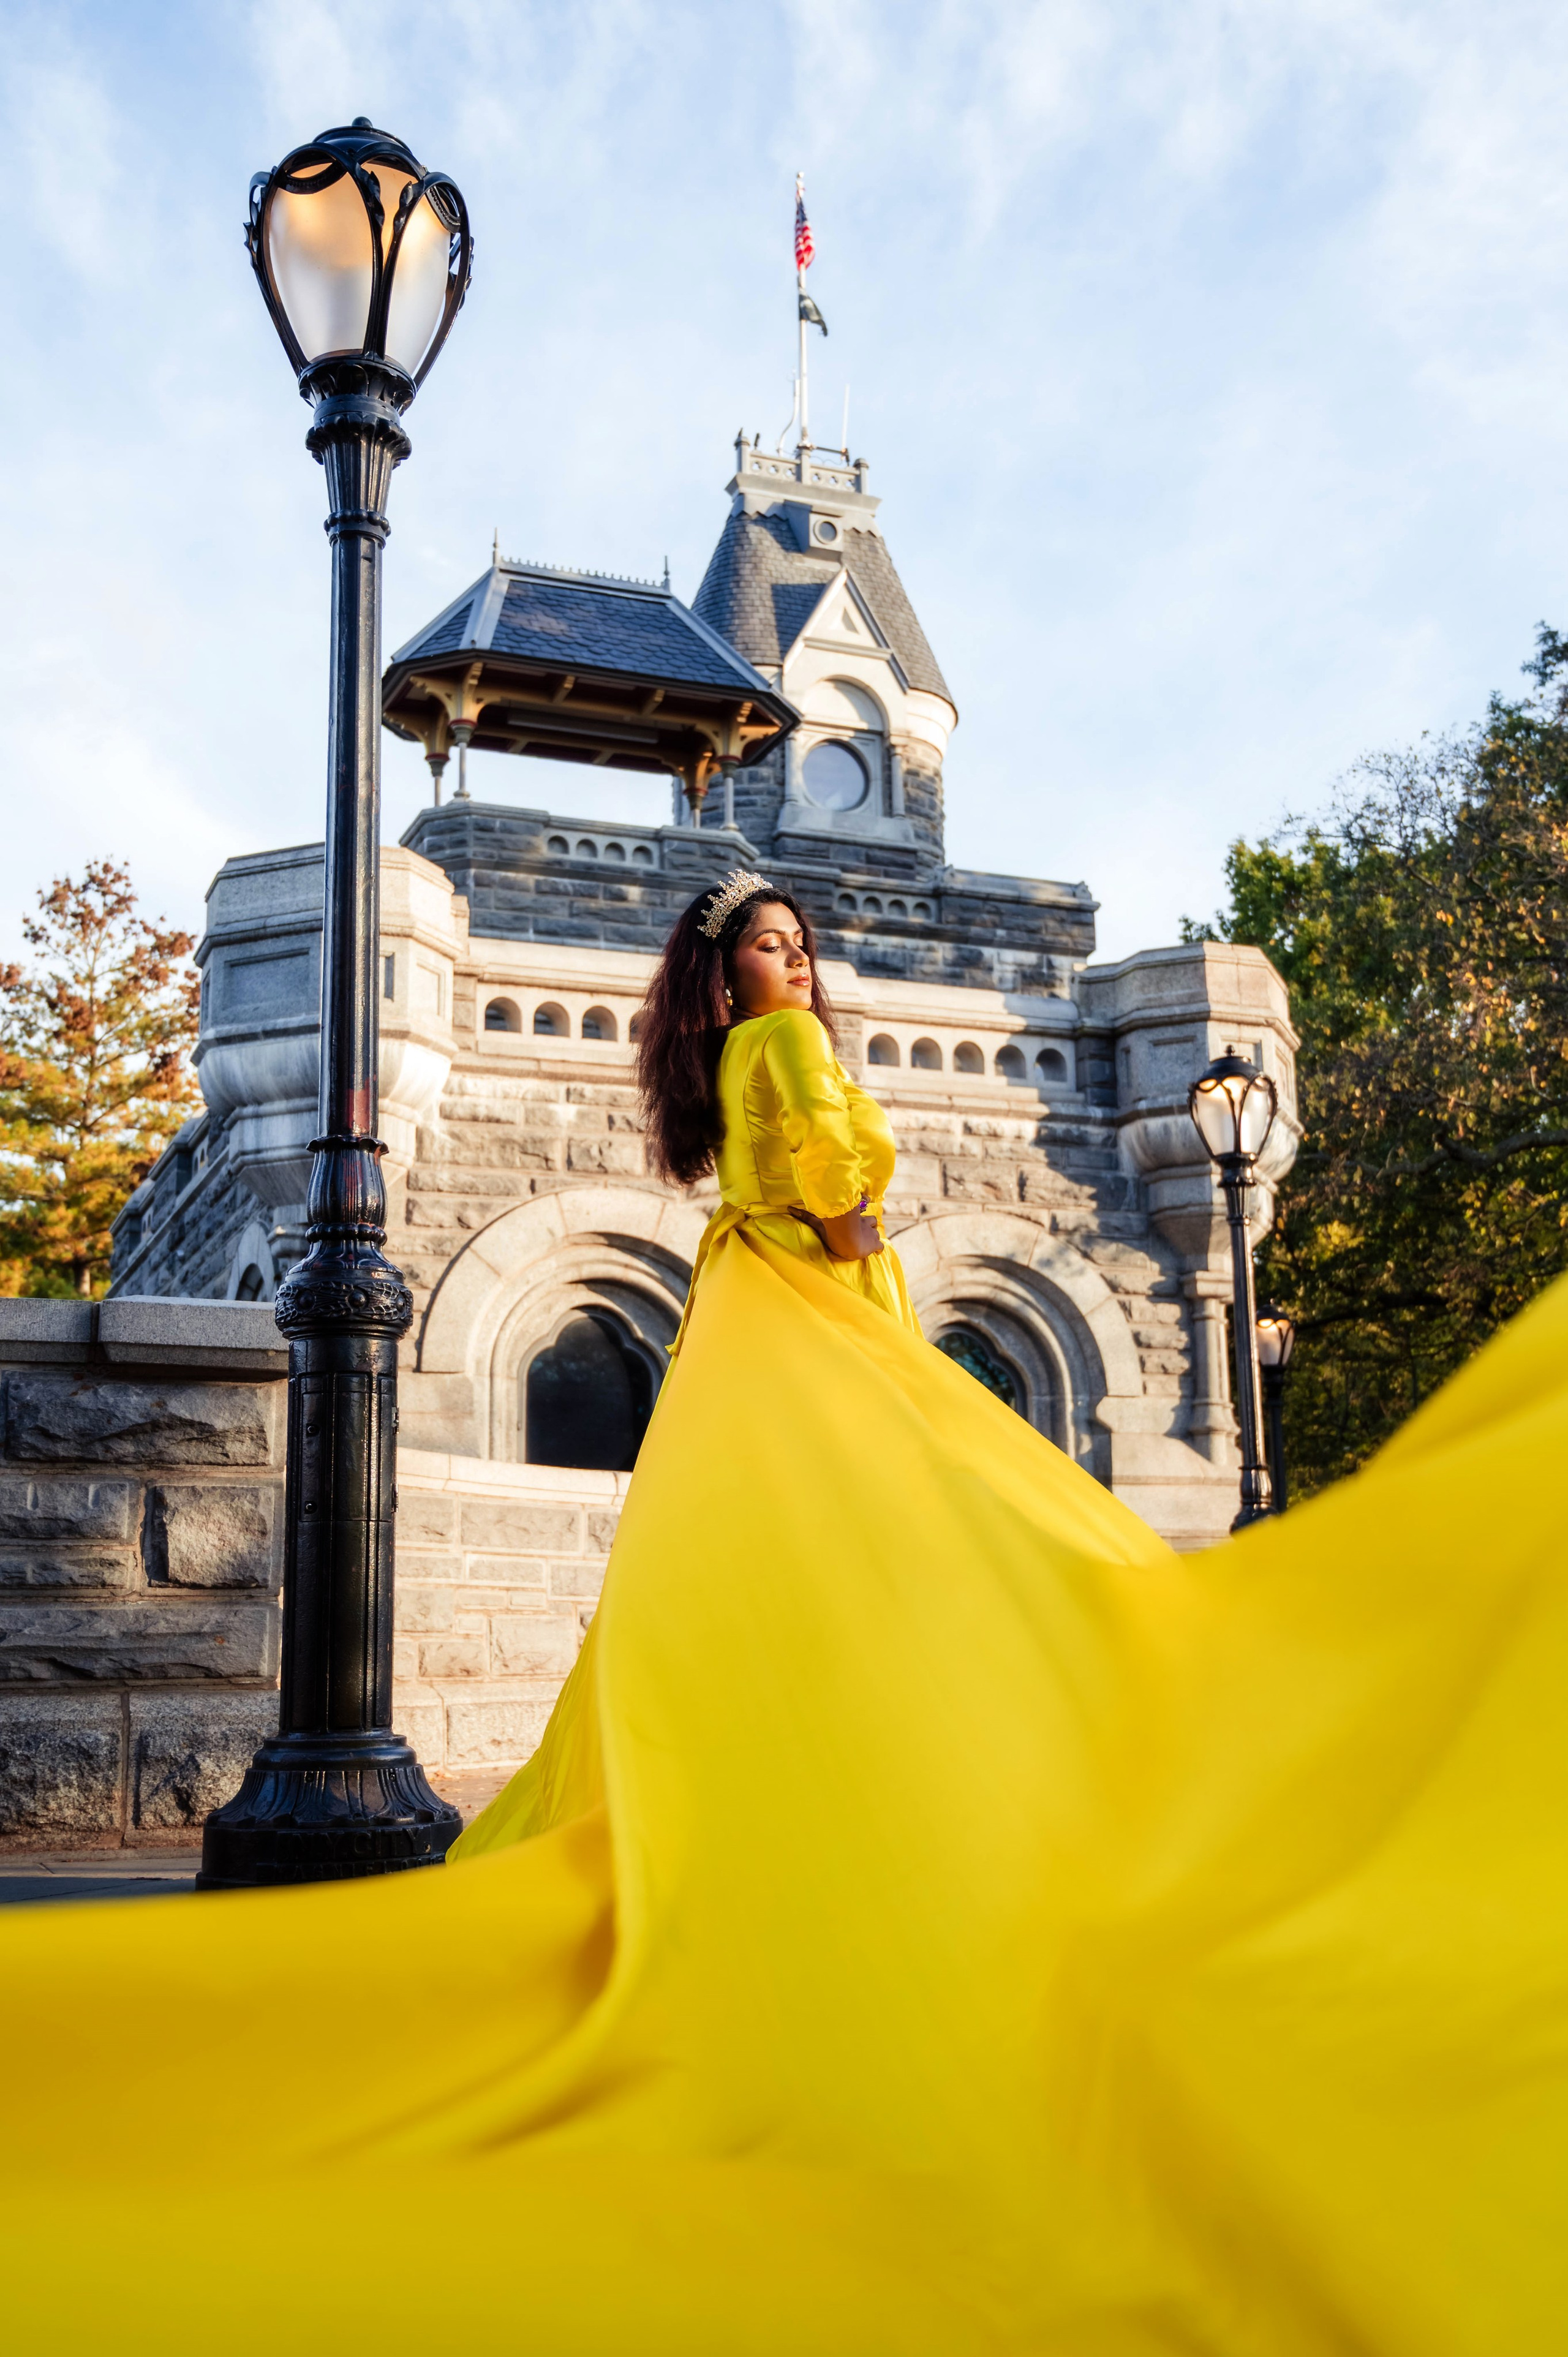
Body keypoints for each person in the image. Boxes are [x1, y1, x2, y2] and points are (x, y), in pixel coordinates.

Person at [5, 867, 1568, 2356]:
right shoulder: (782, 1051)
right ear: (723, 976)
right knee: (955, 1520)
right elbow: (826, 1181)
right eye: (763, 946)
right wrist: (867, 1242)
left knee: (783, 1554)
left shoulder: (745, 1057)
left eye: (798, 944)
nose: (791, 962)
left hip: (758, 1319)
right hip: (816, 1302)